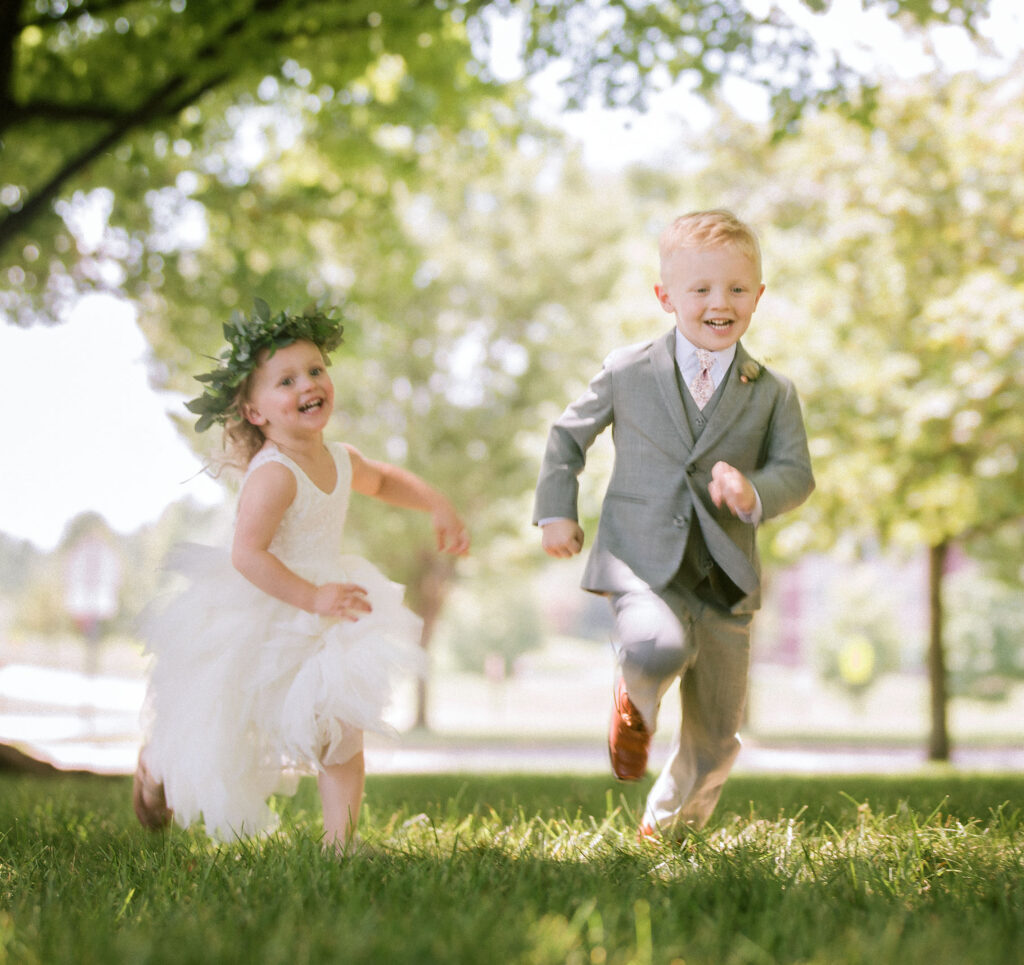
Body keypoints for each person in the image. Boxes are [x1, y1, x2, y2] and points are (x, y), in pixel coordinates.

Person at [133, 300, 469, 853]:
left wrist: (436, 503)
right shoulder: (274, 475)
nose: (307, 384)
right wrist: (311, 595)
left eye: (314, 370)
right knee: (220, 731)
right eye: (285, 380)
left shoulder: (337, 457)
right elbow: (248, 554)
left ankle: (340, 844)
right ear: (255, 413)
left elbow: (382, 482)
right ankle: (155, 767)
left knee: (339, 725)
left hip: (327, 607)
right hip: (264, 608)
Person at [533, 210, 814, 839]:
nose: (721, 302)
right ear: (666, 297)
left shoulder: (771, 392)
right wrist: (556, 510)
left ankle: (667, 834)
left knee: (716, 739)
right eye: (702, 289)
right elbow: (566, 438)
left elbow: (796, 472)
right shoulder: (630, 370)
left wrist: (753, 491)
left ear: (759, 296)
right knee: (658, 644)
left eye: (738, 289)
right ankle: (634, 699)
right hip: (640, 561)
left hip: (724, 576)